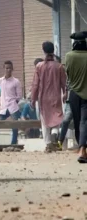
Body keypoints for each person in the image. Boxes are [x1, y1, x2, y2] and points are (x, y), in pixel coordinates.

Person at [31, 41, 66, 153]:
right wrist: (65, 94)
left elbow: (35, 85)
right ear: (53, 51)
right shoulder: (59, 66)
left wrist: (33, 99)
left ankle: (48, 144)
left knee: (45, 121)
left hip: (43, 98)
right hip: (56, 97)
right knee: (57, 117)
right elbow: (64, 84)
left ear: (44, 51)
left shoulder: (39, 66)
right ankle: (55, 133)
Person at [65, 31, 87, 162]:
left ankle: (81, 148)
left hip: (74, 94)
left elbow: (68, 73)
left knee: (79, 122)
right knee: (84, 122)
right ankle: (82, 150)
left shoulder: (69, 56)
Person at [0, 60, 22, 145]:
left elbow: (19, 96)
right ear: (4, 68)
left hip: (13, 106)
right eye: (6, 68)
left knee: (14, 126)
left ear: (12, 69)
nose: (8, 70)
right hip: (3, 107)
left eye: (10, 68)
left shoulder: (16, 81)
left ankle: (13, 144)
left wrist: (14, 102)